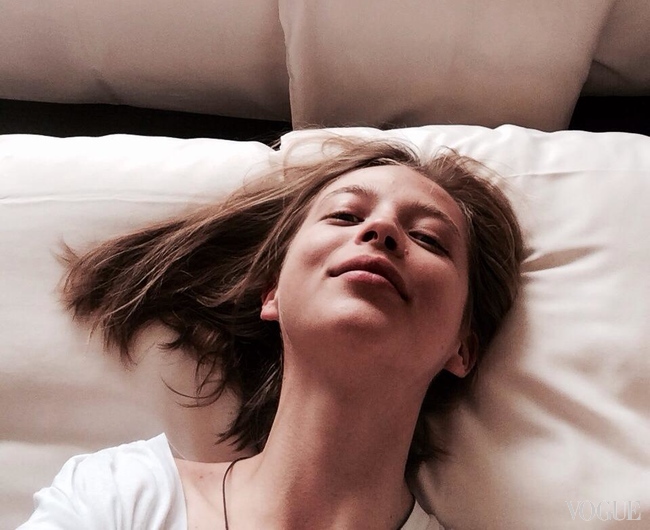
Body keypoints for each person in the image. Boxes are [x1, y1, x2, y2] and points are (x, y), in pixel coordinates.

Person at [19, 135, 523, 530]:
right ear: (272, 295)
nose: (380, 230)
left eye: (429, 239)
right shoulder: (119, 497)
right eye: (345, 215)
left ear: (463, 347)